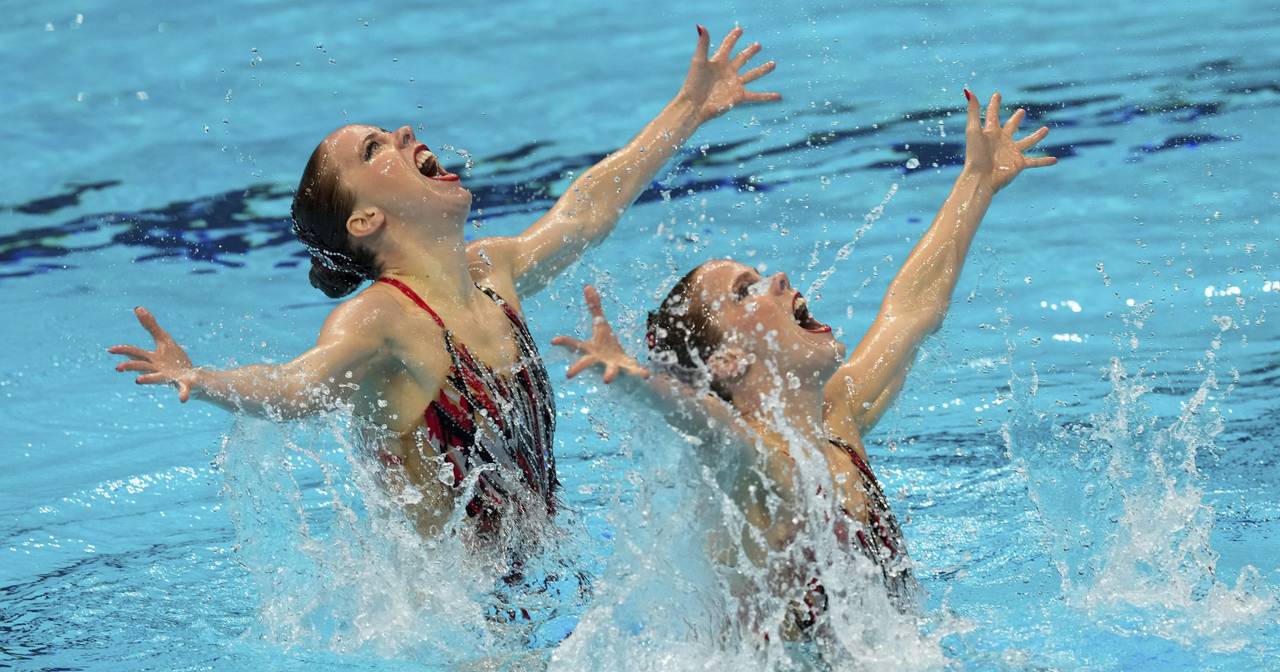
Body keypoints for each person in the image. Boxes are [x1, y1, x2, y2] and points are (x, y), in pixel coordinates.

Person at [108, 26, 781, 546]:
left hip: (542, 576)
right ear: (367, 220)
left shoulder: (492, 272)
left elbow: (586, 211)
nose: (403, 134)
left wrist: (688, 111)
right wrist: (203, 378)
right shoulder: (381, 321)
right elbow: (298, 387)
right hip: (464, 631)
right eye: (375, 151)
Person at [551, 89, 1056, 639]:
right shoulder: (758, 464)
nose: (781, 279)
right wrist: (635, 380)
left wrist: (976, 183)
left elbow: (911, 311)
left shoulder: (835, 420)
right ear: (727, 360)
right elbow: (704, 423)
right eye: (747, 291)